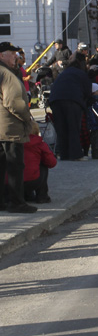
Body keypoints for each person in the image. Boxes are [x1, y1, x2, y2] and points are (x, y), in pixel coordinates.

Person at [0, 42, 38, 213]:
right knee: (15, 166)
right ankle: (16, 203)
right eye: (12, 53)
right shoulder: (7, 74)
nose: (16, 56)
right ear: (2, 55)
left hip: (2, 127)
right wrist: (28, 120)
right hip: (10, 128)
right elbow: (13, 102)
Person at [48, 54, 92, 161]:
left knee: (61, 128)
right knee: (73, 127)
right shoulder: (81, 74)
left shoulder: (63, 73)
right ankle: (76, 154)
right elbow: (88, 91)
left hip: (55, 100)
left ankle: (64, 154)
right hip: (72, 100)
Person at [21, 122, 56, 203]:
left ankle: (27, 195)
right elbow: (52, 163)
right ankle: (42, 196)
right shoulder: (39, 143)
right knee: (43, 164)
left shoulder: (13, 143)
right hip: (32, 181)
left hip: (12, 183)